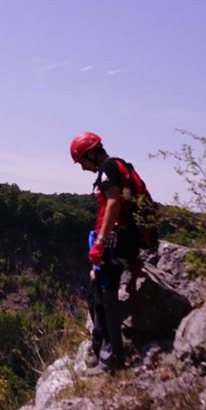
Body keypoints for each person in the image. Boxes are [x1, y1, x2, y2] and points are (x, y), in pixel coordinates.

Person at [70, 131, 146, 373]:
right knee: (99, 295)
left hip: (116, 242)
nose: (83, 168)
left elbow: (113, 203)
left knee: (104, 299)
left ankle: (111, 360)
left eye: (82, 161)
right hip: (127, 239)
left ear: (91, 153)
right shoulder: (119, 166)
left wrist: (99, 244)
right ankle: (108, 355)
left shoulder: (107, 170)